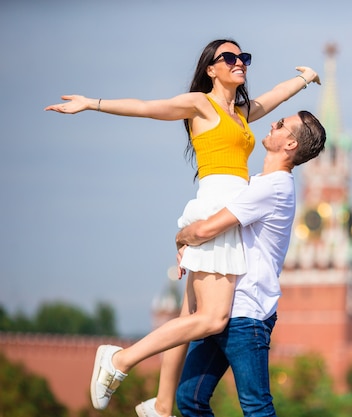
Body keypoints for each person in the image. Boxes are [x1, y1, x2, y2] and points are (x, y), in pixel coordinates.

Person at [44, 38, 320, 413]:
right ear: (211, 68)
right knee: (212, 317)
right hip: (217, 209)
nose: (239, 62)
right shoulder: (200, 104)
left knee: (189, 316)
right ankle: (118, 361)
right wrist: (92, 104)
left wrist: (305, 80)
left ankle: (160, 404)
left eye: (244, 57)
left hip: (231, 213)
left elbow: (274, 96)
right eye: (229, 57)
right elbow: (146, 108)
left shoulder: (240, 113)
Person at [172, 110, 325, 417]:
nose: (272, 123)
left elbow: (205, 229)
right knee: (190, 398)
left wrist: (181, 238)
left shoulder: (273, 187)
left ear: (291, 143)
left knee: (256, 408)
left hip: (247, 315)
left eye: (280, 124)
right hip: (223, 307)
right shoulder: (259, 183)